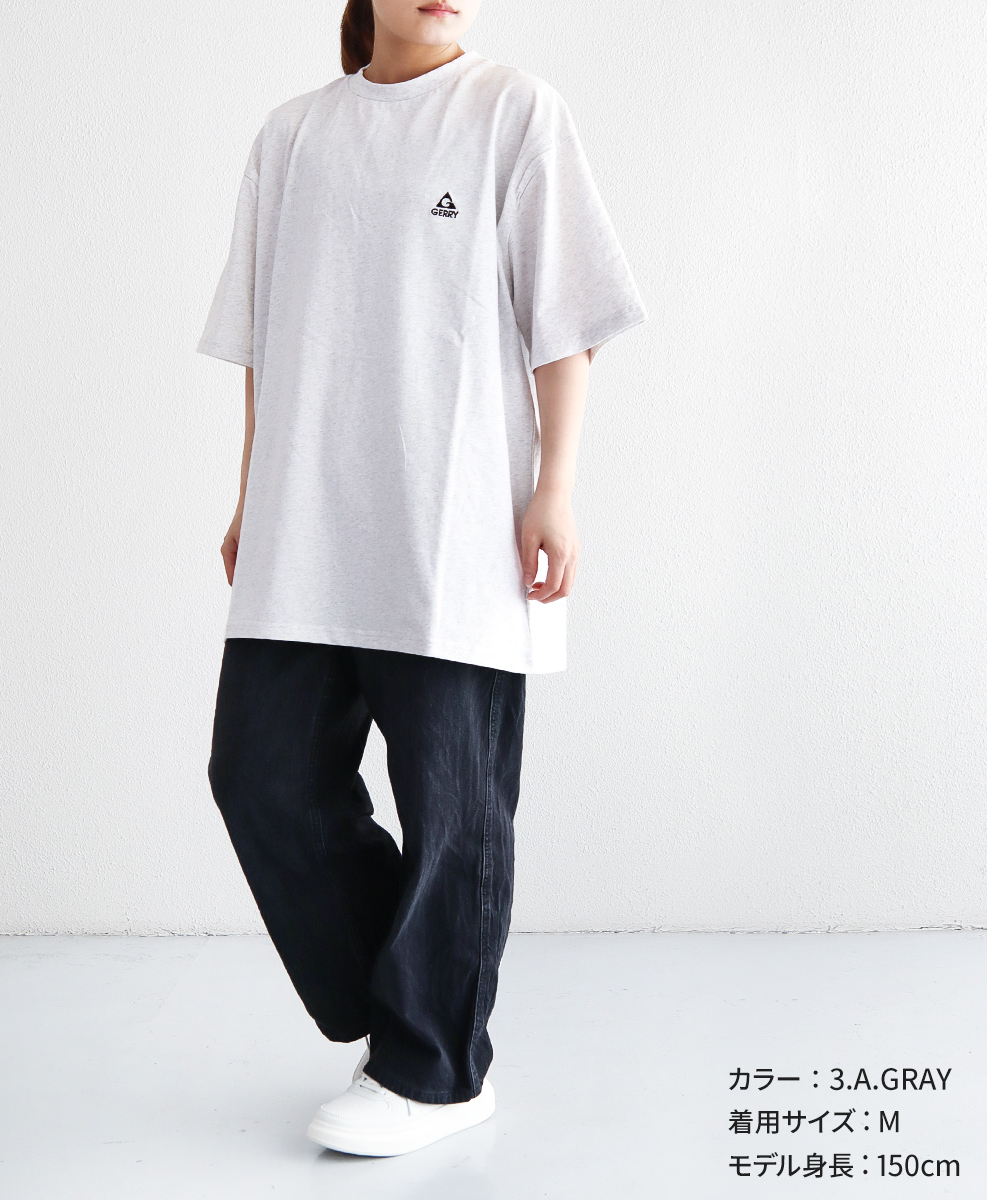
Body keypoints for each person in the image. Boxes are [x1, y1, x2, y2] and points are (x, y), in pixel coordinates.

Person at [197, 0, 647, 1159]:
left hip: (456, 520)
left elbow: (566, 323)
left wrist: (555, 487)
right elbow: (263, 341)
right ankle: (409, 1010)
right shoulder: (293, 135)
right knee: (260, 775)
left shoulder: (512, 112)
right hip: (308, 517)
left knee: (453, 806)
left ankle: (436, 1070)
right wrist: (252, 494)